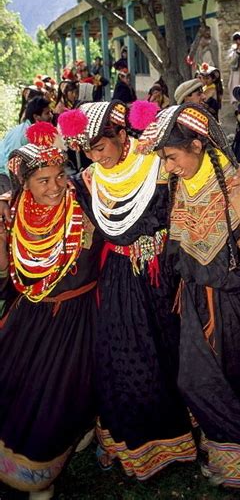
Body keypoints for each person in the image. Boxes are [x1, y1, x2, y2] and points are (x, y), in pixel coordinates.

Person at [136, 104, 240, 489]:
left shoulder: (236, 183)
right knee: (209, 379)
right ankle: (235, 452)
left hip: (238, 305)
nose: (169, 166)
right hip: (196, 301)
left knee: (232, 379)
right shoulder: (180, 183)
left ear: (197, 144)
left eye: (172, 157)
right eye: (165, 159)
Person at [57, 101, 196, 479]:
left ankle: (175, 438)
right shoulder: (88, 179)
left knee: (169, 348)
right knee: (120, 354)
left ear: (122, 135)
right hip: (117, 275)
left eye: (100, 147)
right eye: (88, 151)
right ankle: (132, 443)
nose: (95, 157)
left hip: (161, 274)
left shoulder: (158, 165)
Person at [0, 123, 102, 499]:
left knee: (59, 393)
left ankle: (42, 475)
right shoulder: (14, 215)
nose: (55, 186)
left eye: (60, 175)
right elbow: (8, 279)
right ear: (24, 184)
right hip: (31, 315)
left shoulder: (85, 203)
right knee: (17, 385)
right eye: (43, 180)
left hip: (79, 317)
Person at [0, 97, 53, 194]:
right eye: (47, 113)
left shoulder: (36, 131)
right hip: (4, 174)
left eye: (50, 112)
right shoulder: (22, 135)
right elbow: (11, 162)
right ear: (36, 117)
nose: (51, 116)